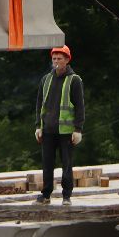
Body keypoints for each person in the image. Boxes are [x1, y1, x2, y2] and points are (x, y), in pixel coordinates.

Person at [34, 45, 85, 204]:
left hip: (66, 131)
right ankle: (46, 194)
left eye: (59, 59)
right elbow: (39, 104)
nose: (56, 61)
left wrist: (78, 129)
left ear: (67, 60)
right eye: (54, 58)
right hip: (48, 129)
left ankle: (66, 195)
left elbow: (80, 106)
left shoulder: (74, 80)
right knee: (47, 164)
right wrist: (38, 126)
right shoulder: (46, 79)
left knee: (66, 164)